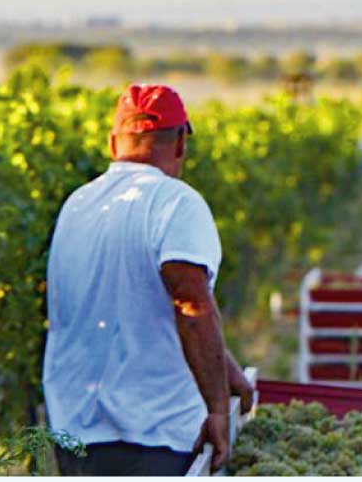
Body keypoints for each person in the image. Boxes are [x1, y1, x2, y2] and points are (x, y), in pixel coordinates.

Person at [43, 84, 254, 476]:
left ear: (113, 143)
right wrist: (218, 410)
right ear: (179, 144)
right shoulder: (177, 202)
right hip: (156, 433)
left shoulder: (76, 205)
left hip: (76, 430)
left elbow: (135, 304)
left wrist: (225, 369)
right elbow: (191, 306)